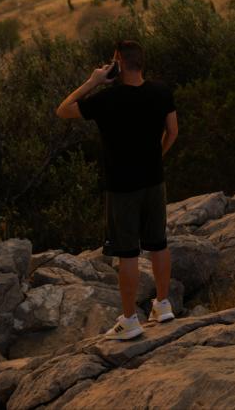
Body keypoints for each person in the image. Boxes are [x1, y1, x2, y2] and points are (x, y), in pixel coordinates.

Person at [55, 40, 178, 341]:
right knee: (158, 243)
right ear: (142, 62)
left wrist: (93, 81)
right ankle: (162, 305)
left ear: (118, 63)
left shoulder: (107, 99)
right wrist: (156, 157)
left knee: (128, 253)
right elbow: (173, 131)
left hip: (122, 187)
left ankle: (129, 320)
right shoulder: (161, 91)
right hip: (154, 181)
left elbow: (63, 110)